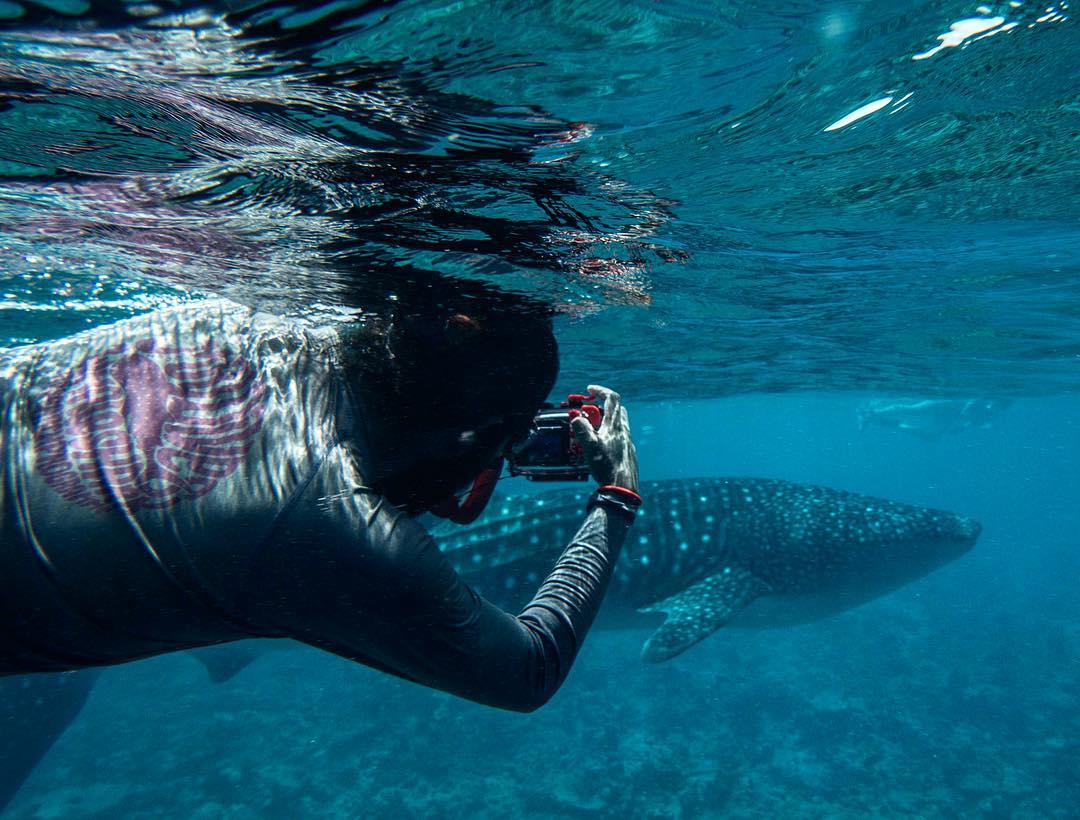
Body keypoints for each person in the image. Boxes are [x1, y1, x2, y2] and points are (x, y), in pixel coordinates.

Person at [0, 280, 639, 712]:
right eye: (508, 441)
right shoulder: (327, 524)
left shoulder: (242, 320)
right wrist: (616, 496)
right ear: (468, 434)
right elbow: (526, 673)